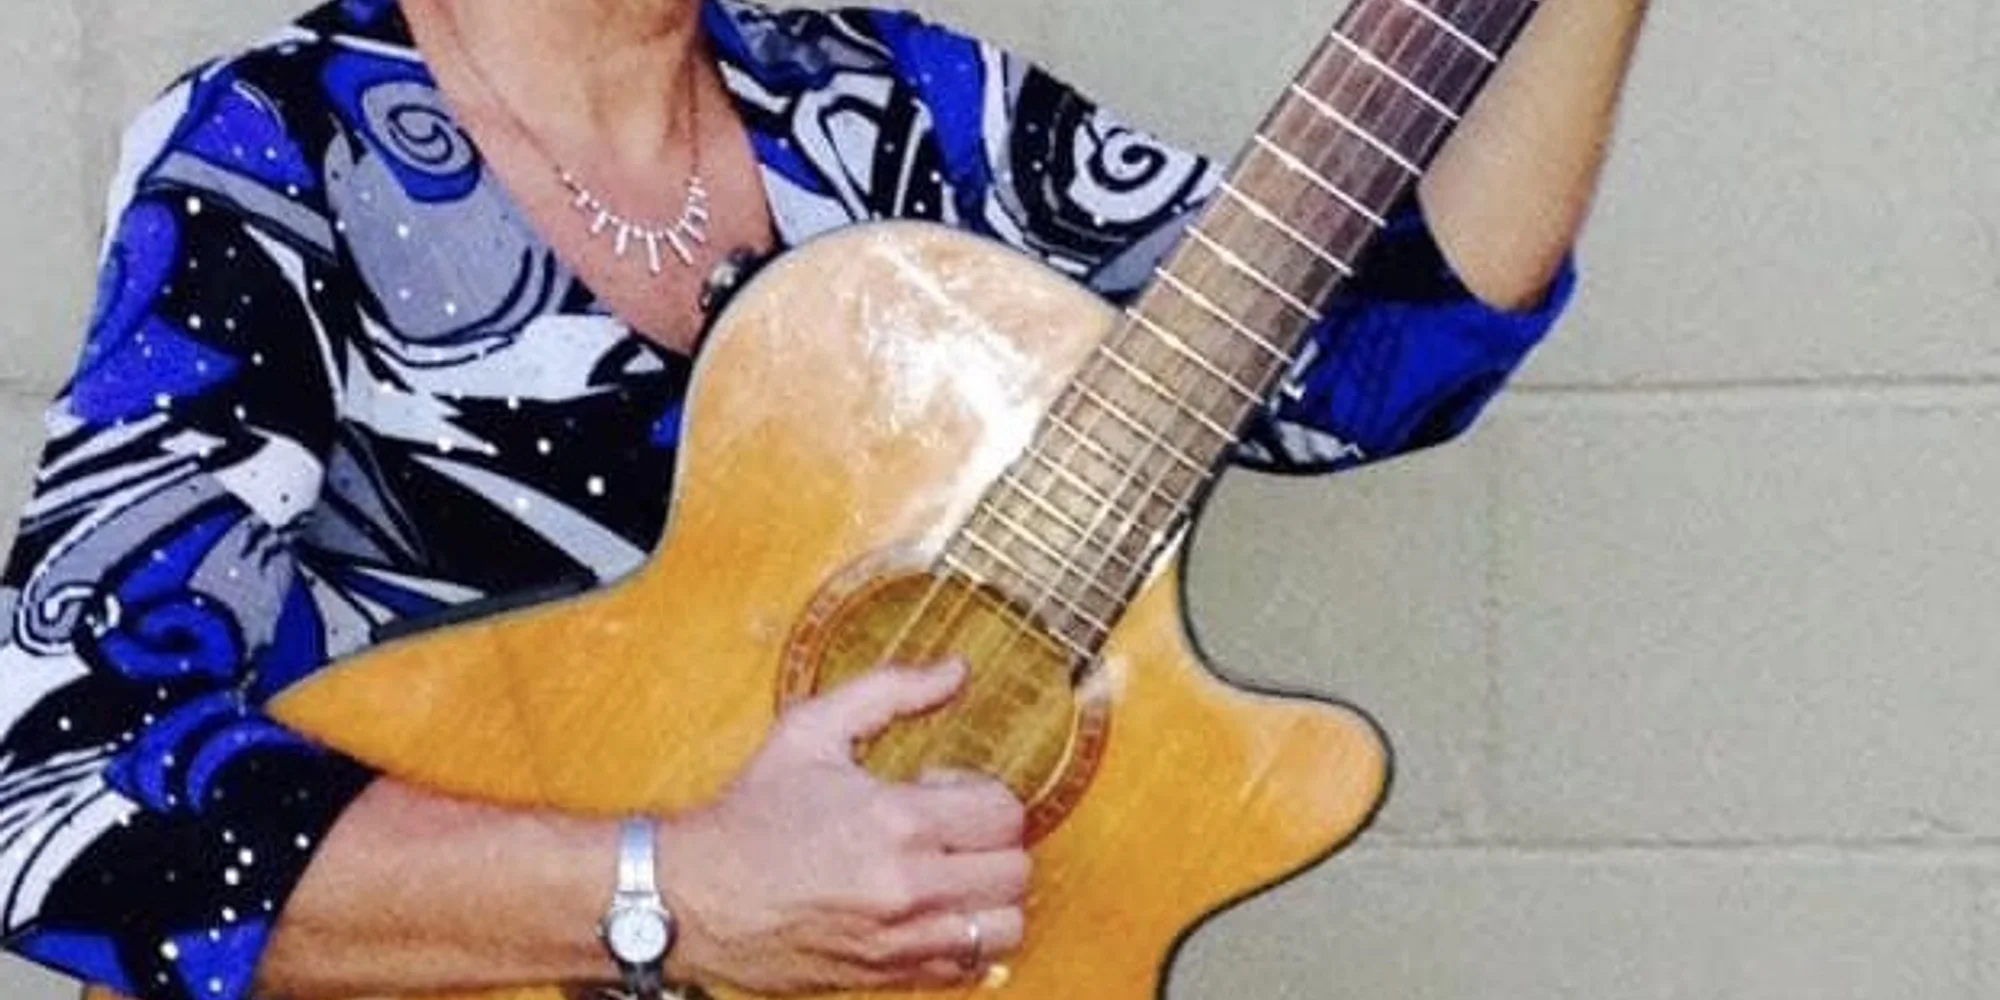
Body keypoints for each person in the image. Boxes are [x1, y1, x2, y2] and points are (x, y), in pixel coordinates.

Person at [0, 0, 1644, 997]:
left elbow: (1347, 363)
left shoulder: (887, 107)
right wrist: (675, 892)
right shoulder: (276, 149)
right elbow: (58, 796)